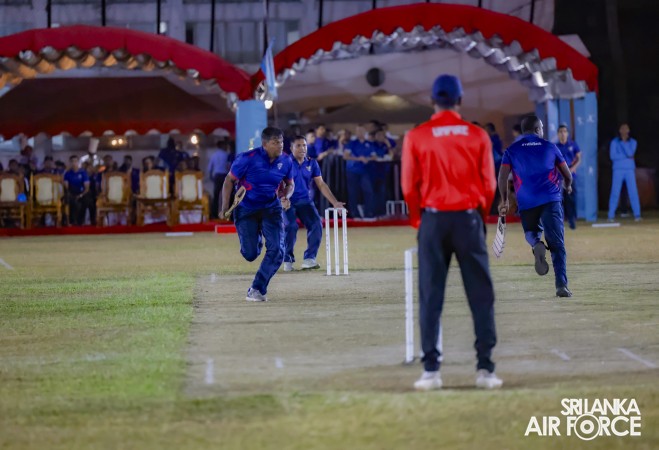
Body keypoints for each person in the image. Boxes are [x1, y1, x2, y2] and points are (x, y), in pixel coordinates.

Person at [402, 74, 501, 391]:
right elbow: (489, 184)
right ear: (459, 100)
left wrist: (419, 221)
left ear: (432, 101)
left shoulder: (416, 136)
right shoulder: (477, 135)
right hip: (468, 218)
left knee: (431, 296)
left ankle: (431, 371)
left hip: (433, 220)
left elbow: (408, 186)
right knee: (480, 295)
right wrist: (479, 216)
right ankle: (485, 369)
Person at [498, 115, 574, 298]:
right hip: (550, 199)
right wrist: (568, 185)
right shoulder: (550, 146)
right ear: (538, 129)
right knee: (557, 243)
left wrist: (505, 199)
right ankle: (561, 285)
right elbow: (567, 174)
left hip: (527, 201)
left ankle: (536, 244)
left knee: (531, 232)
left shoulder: (512, 150)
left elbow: (502, 176)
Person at [220, 127, 294, 302]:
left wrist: (286, 196)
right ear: (265, 144)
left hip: (271, 208)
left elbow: (290, 184)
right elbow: (229, 180)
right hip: (246, 209)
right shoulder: (247, 158)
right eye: (275, 142)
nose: (280, 145)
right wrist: (224, 207)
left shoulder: (286, 160)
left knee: (278, 250)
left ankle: (257, 289)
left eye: (281, 142)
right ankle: (256, 237)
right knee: (250, 254)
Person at [282, 135, 345, 272]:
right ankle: (287, 260)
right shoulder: (285, 163)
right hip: (287, 202)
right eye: (298, 146)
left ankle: (309, 259)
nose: (302, 148)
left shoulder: (312, 163)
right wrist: (282, 199)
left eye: (304, 145)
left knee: (316, 224)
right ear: (291, 148)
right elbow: (277, 183)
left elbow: (321, 184)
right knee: (291, 226)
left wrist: (335, 202)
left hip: (305, 201)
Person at [607, 123, 641, 221]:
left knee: (633, 192)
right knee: (615, 192)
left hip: (629, 169)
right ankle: (611, 215)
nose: (624, 130)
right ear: (619, 130)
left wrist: (623, 144)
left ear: (629, 131)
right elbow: (613, 156)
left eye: (626, 129)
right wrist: (626, 157)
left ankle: (637, 215)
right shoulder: (614, 142)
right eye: (622, 128)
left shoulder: (633, 142)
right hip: (618, 169)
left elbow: (630, 153)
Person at [343, 125, 375, 219]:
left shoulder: (369, 144)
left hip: (365, 171)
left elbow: (374, 156)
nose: (359, 133)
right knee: (353, 192)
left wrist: (367, 159)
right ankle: (354, 213)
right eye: (358, 131)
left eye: (361, 131)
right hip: (353, 170)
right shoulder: (351, 143)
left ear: (365, 132)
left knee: (368, 191)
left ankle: (368, 213)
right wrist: (358, 159)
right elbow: (346, 156)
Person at [555, 124, 581, 229]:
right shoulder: (555, 147)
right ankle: (559, 222)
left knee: (571, 198)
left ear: (567, 133)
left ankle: (572, 220)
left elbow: (579, 158)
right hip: (559, 176)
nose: (563, 133)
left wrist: (572, 169)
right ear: (558, 134)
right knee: (559, 199)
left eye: (565, 131)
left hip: (571, 175)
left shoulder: (573, 144)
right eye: (560, 131)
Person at [63, 155, 91, 226]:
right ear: (70, 163)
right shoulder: (67, 173)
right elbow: (66, 187)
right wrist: (71, 194)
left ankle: (81, 221)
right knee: (69, 199)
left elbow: (87, 188)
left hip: (82, 193)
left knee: (87, 199)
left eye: (75, 161)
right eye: (72, 161)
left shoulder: (83, 173)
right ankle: (71, 221)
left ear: (78, 162)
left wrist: (80, 195)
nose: (74, 163)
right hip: (71, 193)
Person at [208, 140, 232, 219]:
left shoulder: (214, 155)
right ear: (221, 146)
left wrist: (211, 177)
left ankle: (214, 214)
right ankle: (227, 214)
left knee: (216, 195)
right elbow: (229, 166)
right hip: (225, 176)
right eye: (224, 145)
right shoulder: (226, 155)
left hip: (217, 176)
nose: (226, 147)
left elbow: (210, 168)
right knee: (227, 194)